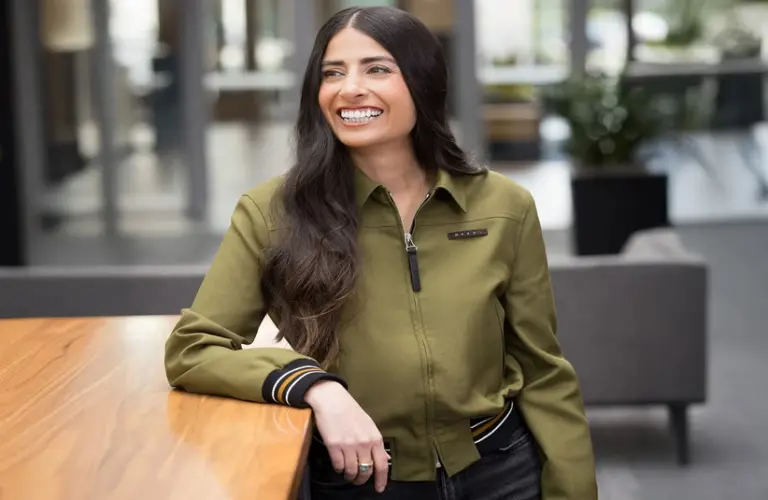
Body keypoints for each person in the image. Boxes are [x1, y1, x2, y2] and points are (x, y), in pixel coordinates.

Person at [165, 6, 597, 500]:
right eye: (333, 73)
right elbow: (193, 349)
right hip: (362, 481)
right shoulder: (271, 213)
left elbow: (543, 370)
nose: (350, 88)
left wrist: (573, 488)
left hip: (500, 470)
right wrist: (314, 386)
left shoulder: (503, 207)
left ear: (422, 82)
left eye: (377, 69)